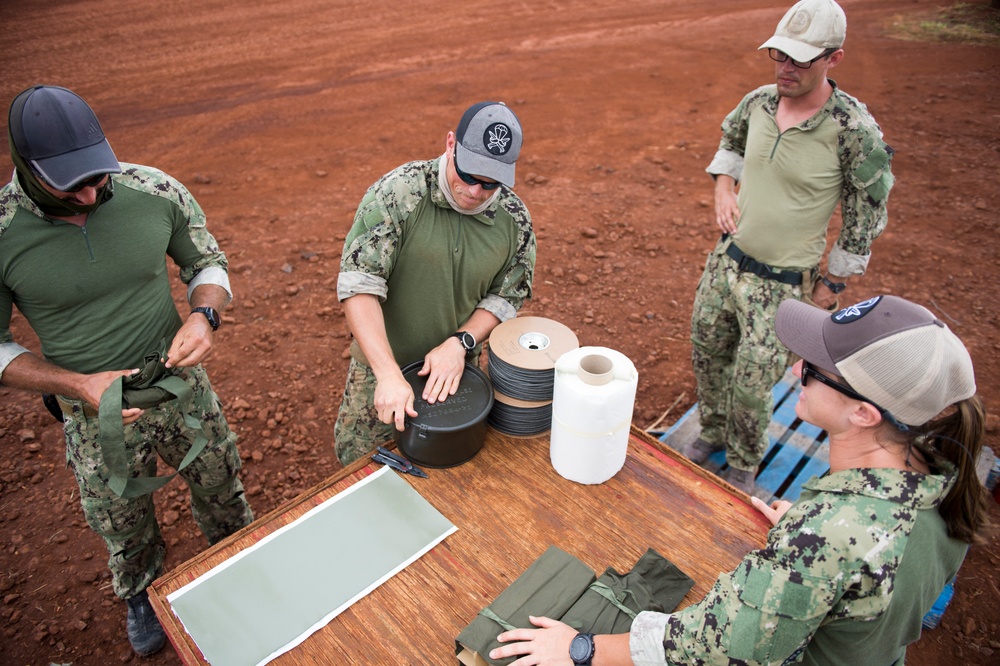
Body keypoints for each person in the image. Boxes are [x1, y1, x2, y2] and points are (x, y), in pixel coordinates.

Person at [490, 294, 989, 665]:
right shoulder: (939, 474)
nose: (795, 369)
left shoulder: (835, 532)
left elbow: (726, 644)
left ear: (863, 413)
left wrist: (581, 648)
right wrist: (822, 547)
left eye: (815, 369)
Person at [0, 85, 254, 656]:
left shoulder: (152, 190)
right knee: (120, 514)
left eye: (98, 175)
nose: (93, 192)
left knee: (219, 481)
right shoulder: (2, 232)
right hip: (93, 412)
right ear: (27, 166)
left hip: (179, 388)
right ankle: (141, 590)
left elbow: (205, 261)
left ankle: (241, 554)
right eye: (73, 184)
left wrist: (205, 314)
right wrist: (75, 385)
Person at [683, 0, 896, 493]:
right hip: (726, 264)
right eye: (780, 55)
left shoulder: (854, 132)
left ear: (834, 59)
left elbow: (866, 216)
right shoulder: (758, 101)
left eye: (801, 60)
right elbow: (731, 140)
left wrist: (833, 284)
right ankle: (712, 432)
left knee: (753, 384)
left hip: (783, 284)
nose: (786, 69)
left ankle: (742, 463)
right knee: (708, 352)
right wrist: (722, 185)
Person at [334, 101, 536, 465]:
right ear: (450, 145)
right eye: (469, 174)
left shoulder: (514, 219)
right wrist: (388, 374)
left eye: (490, 183)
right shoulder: (398, 193)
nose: (475, 191)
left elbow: (507, 295)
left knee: (451, 473)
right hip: (381, 370)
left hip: (456, 376)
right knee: (361, 465)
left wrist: (461, 342)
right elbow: (360, 285)